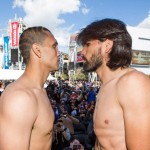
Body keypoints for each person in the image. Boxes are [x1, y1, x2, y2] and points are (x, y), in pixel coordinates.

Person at [77, 18, 150, 150]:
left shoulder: (132, 83)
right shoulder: (107, 86)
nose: (82, 52)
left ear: (107, 46)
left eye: (87, 44)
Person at [0, 26, 60, 150]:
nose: (58, 53)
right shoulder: (20, 98)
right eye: (54, 47)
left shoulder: (40, 91)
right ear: (37, 50)